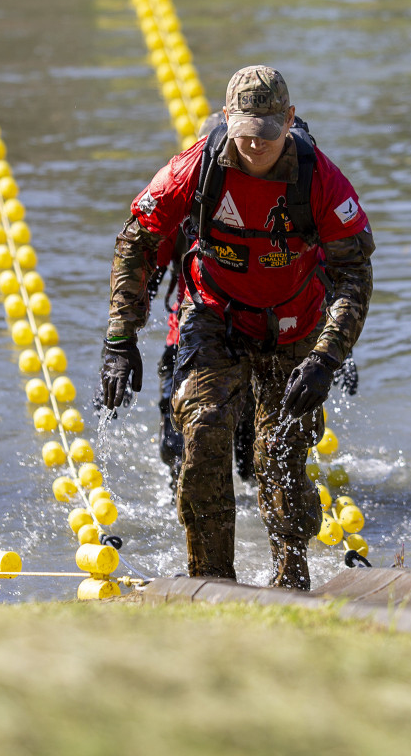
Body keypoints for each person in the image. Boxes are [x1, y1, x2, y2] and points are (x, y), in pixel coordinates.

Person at [101, 65, 374, 589]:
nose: (255, 147)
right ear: (227, 119)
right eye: (245, 133)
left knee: (281, 453)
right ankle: (211, 582)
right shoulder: (197, 167)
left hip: (295, 328)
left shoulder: (322, 180)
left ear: (289, 121)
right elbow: (135, 240)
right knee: (201, 433)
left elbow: (354, 273)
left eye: (268, 136)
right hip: (213, 316)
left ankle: (291, 576)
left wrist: (327, 358)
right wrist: (121, 339)